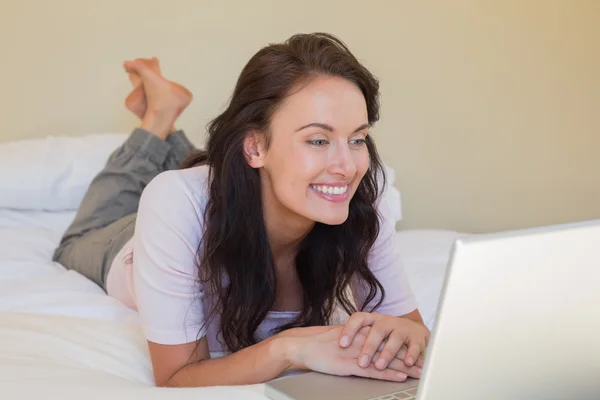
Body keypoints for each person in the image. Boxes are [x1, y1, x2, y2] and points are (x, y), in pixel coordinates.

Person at [52, 32, 430, 388]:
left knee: (208, 180)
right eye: (318, 140)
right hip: (130, 244)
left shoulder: (360, 195)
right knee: (76, 241)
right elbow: (175, 378)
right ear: (254, 148)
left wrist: (412, 336)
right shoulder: (175, 203)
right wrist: (289, 349)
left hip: (228, 191)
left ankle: (171, 127)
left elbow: (409, 330)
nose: (347, 167)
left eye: (357, 139)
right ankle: (158, 121)